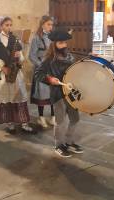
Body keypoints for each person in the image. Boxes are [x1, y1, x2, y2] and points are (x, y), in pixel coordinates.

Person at [35, 30, 83, 158]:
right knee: (60, 121)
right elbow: (38, 74)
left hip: (72, 93)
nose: (64, 45)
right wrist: (50, 79)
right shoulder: (49, 60)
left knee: (75, 118)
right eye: (61, 43)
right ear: (54, 44)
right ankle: (58, 145)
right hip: (58, 94)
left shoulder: (70, 56)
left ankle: (69, 142)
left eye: (65, 42)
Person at [0, 16, 35, 134]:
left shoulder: (15, 39)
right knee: (6, 100)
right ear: (1, 26)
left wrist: (20, 56)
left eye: (10, 25)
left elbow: (22, 58)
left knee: (20, 97)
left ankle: (24, 123)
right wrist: (2, 67)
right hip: (2, 74)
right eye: (6, 25)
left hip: (16, 73)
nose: (9, 27)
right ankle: (10, 124)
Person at [29, 15, 55, 128]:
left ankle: (53, 117)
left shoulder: (52, 37)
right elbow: (31, 56)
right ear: (42, 24)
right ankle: (41, 117)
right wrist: (41, 66)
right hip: (41, 69)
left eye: (51, 24)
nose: (50, 27)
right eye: (49, 24)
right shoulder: (36, 38)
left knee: (53, 92)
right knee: (42, 94)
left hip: (52, 68)